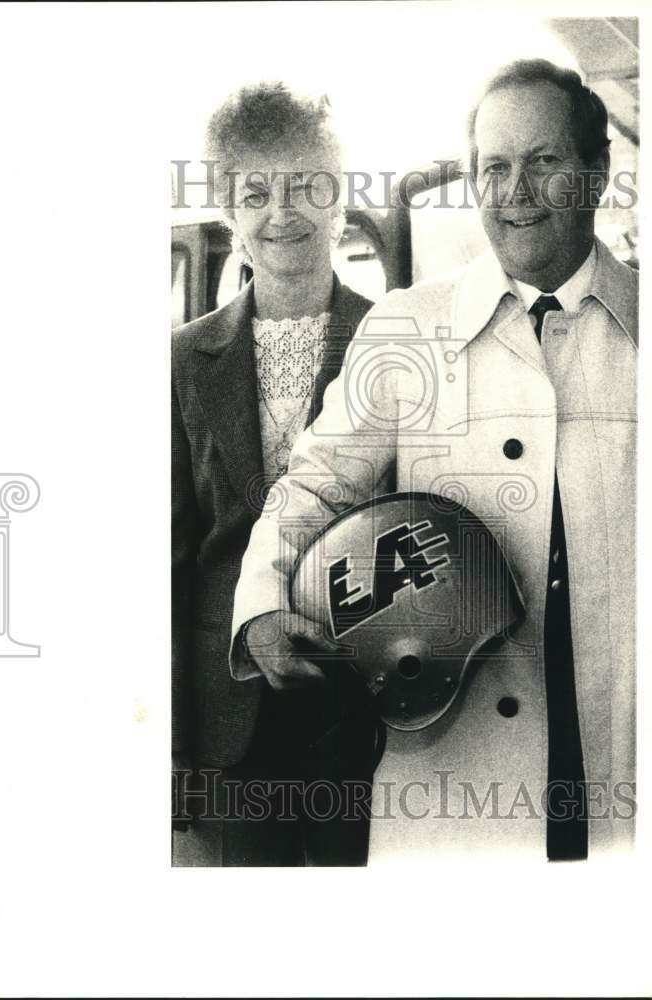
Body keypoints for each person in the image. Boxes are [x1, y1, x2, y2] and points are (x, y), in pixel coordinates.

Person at [231, 59, 637, 860]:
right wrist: (266, 597)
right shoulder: (409, 327)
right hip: (455, 793)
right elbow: (313, 483)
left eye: (544, 162)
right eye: (494, 167)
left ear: (596, 174)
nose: (514, 190)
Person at [172, 82, 377, 866]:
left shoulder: (397, 339)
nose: (281, 212)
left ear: (340, 196)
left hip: (366, 705)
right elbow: (170, 563)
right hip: (228, 723)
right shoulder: (183, 359)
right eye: (255, 192)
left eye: (304, 186)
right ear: (229, 211)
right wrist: (173, 749)